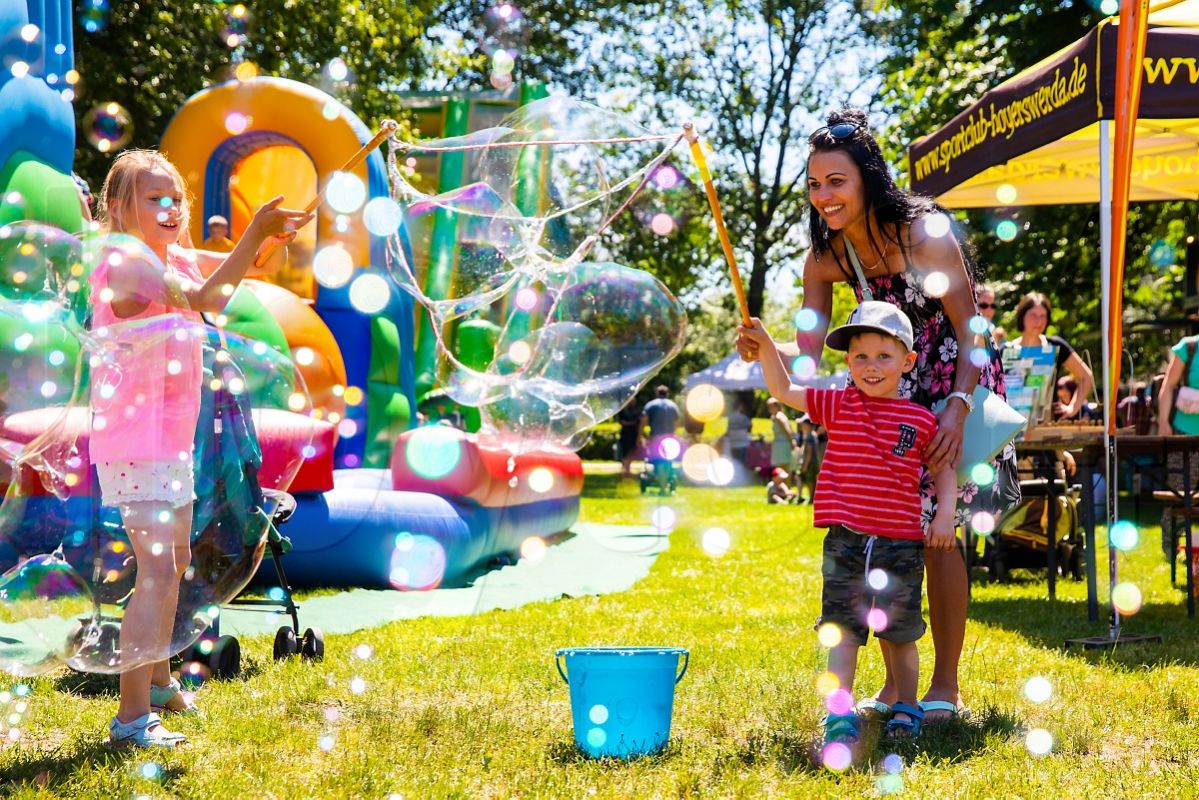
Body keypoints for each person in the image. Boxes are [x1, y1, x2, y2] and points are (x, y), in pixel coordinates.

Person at [735, 107, 1020, 723]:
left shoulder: (925, 234)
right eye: (814, 184)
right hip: (890, 392)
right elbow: (808, 353)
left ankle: (944, 685)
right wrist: (767, 347)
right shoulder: (825, 258)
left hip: (954, 384)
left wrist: (957, 404)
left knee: (939, 535)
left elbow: (972, 327)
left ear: (867, 177)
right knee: (892, 530)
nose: (824, 196)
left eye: (836, 181)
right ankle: (897, 690)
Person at [91, 150, 310, 748]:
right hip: (138, 443)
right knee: (159, 569)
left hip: (169, 439)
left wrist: (268, 236)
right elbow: (209, 298)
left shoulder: (170, 258)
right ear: (118, 208)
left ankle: (158, 682)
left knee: (176, 562)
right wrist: (256, 235)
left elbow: (232, 272)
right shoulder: (124, 261)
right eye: (153, 197)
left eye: (176, 197)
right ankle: (131, 718)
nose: (170, 207)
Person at [741, 302, 958, 746]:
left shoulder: (920, 418)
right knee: (841, 632)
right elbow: (783, 389)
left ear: (908, 361)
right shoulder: (838, 404)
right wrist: (765, 345)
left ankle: (906, 706)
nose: (872, 367)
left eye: (884, 356)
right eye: (860, 357)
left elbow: (944, 470)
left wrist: (945, 515)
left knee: (900, 633)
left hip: (899, 544)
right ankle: (838, 714)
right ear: (847, 363)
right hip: (844, 543)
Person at [1012, 292, 1094, 422]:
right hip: (1010, 431)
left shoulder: (1056, 346)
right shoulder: (1005, 350)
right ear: (1022, 315)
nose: (1038, 321)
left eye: (1043, 316)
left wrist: (1072, 408)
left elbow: (1086, 377)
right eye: (1033, 315)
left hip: (1047, 430)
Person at [767, 397, 796, 480]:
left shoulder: (779, 417)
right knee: (781, 467)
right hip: (779, 444)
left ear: (776, 406)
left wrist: (792, 441)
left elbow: (788, 430)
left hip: (782, 445)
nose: (769, 409)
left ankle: (786, 487)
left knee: (783, 468)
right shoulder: (776, 416)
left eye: (771, 406)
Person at [796, 415, 822, 504]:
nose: (801, 426)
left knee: (810, 481)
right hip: (815, 462)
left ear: (807, 425)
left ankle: (811, 499)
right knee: (812, 481)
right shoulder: (813, 435)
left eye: (803, 424)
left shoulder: (809, 437)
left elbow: (809, 453)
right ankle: (812, 498)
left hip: (810, 463)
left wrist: (805, 466)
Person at [616, 396, 642, 479]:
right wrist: (632, 423)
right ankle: (625, 470)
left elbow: (637, 423)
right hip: (625, 435)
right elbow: (623, 422)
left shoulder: (637, 411)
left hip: (633, 436)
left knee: (630, 453)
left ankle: (627, 470)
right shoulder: (623, 411)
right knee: (624, 453)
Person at [723, 399, 752, 464]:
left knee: (734, 463)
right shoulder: (744, 417)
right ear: (740, 406)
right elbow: (749, 428)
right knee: (741, 463)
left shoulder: (730, 417)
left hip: (733, 443)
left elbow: (728, 430)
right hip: (743, 443)